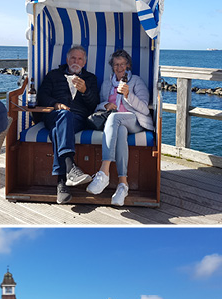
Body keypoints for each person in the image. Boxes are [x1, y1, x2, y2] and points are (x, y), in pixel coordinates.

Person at [86, 49, 155, 206]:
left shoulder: (136, 81)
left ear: (128, 65)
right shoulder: (107, 83)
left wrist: (127, 95)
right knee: (120, 129)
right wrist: (105, 104)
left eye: (122, 64)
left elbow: (144, 109)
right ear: (112, 66)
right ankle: (123, 184)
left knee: (115, 117)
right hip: (116, 123)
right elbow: (99, 104)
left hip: (135, 121)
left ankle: (104, 171)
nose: (119, 67)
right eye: (116, 64)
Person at [35, 45, 99, 203]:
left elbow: (94, 104)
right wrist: (56, 104)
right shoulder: (54, 75)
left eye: (79, 59)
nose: (76, 61)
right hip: (53, 114)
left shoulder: (90, 79)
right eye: (73, 58)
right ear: (67, 59)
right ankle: (70, 168)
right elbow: (42, 96)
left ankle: (61, 183)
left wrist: (85, 91)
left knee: (59, 130)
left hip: (77, 118)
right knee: (63, 116)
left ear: (84, 62)